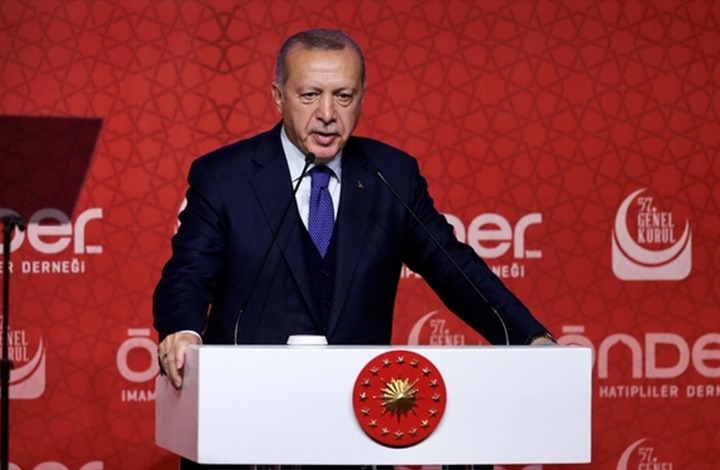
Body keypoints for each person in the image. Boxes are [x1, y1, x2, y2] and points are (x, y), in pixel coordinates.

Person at [153, 29, 555, 470]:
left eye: (343, 96)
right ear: (278, 97)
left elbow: (454, 267)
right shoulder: (224, 176)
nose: (327, 114)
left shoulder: (392, 175)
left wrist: (528, 337)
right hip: (242, 430)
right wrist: (183, 330)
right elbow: (188, 272)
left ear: (362, 98)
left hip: (357, 433)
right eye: (310, 95)